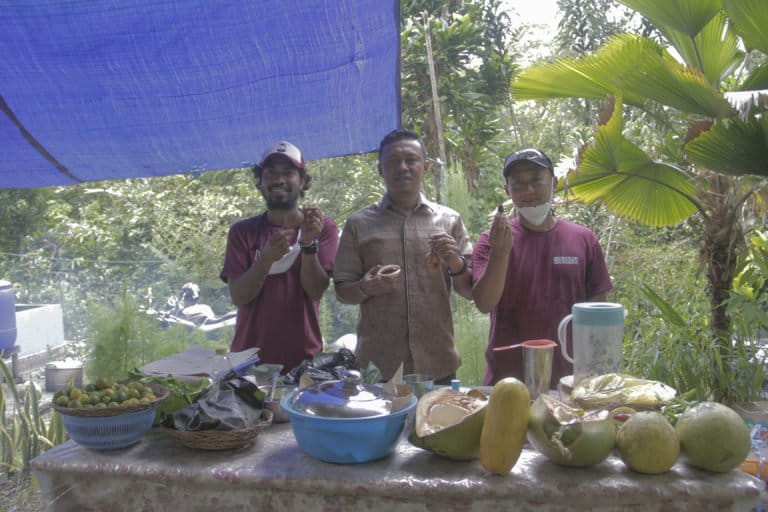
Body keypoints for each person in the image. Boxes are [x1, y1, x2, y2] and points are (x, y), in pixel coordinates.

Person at [333, 129, 473, 384]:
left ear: (426, 166)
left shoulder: (450, 220)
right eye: (392, 162)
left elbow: (469, 289)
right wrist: (366, 287)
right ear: (380, 170)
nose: (402, 167)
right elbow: (343, 291)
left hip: (438, 361)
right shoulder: (359, 224)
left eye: (411, 159)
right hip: (378, 366)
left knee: (436, 423)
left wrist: (456, 262)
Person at [471, 148, 612, 387]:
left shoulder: (583, 239)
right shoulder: (491, 240)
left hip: (570, 379)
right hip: (506, 380)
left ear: (554, 183)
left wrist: (595, 371)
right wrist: (501, 251)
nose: (528, 191)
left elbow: (599, 307)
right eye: (518, 184)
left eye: (536, 181)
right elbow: (485, 303)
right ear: (508, 191)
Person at [220, 141, 339, 372]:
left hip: (304, 362)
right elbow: (239, 297)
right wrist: (265, 260)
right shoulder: (242, 232)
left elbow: (315, 290)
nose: (279, 179)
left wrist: (307, 243)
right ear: (261, 182)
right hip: (248, 361)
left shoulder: (322, 227)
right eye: (270, 173)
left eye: (288, 172)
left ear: (302, 181)